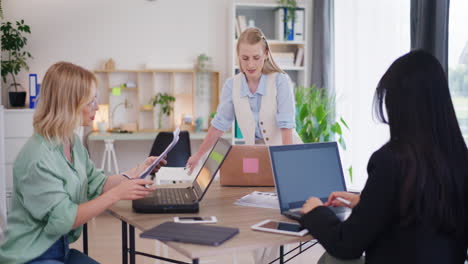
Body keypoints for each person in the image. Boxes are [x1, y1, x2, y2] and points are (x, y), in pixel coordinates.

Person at [299, 50, 468, 264]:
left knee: (332, 259)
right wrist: (366, 203)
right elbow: (423, 217)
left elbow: (346, 245)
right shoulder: (459, 158)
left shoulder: (391, 160)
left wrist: (316, 212)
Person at [0, 62, 166, 264]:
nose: (96, 107)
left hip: (59, 250)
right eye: (90, 101)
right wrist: (117, 194)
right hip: (30, 256)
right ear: (69, 104)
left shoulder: (71, 141)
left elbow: (97, 183)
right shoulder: (38, 158)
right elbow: (65, 220)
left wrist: (138, 170)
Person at [186, 27, 302, 173]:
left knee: (282, 193)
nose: (250, 65)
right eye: (245, 58)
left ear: (266, 54)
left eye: (256, 57)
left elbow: (286, 127)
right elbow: (219, 126)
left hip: (286, 152)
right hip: (253, 154)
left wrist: (287, 161)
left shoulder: (280, 81)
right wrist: (198, 155)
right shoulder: (231, 85)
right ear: (238, 56)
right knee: (248, 188)